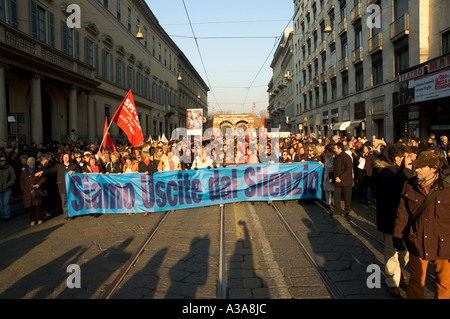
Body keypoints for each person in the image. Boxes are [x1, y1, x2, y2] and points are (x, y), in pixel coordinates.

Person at [393, 151, 450, 299]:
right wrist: (397, 235)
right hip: (418, 241)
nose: (416, 170)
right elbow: (403, 213)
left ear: (433, 168)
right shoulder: (410, 185)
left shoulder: (447, 188)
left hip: (442, 243)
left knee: (444, 283)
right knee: (416, 282)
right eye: (415, 167)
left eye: (420, 167)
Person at [374, 143, 412, 298]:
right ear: (397, 158)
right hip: (390, 219)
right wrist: (407, 170)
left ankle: (399, 270)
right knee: (391, 252)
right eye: (406, 157)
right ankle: (392, 281)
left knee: (405, 252)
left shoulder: (401, 171)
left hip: (404, 219)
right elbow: (397, 187)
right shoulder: (384, 172)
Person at [38, 152, 81, 220]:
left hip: (72, 187)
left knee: (71, 201)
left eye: (67, 157)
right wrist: (42, 172)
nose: (65, 159)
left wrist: (74, 172)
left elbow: (79, 173)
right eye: (64, 157)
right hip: (62, 186)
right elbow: (51, 170)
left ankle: (72, 213)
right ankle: (67, 215)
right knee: (64, 202)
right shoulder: (59, 166)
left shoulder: (73, 166)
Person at [20, 157, 46, 226]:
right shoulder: (24, 172)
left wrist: (38, 184)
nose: (31, 163)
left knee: (38, 205)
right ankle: (33, 220)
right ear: (27, 163)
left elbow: (43, 179)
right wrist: (23, 189)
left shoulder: (38, 169)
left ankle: (39, 218)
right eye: (30, 162)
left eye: (33, 161)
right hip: (27, 191)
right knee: (30, 207)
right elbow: (21, 182)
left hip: (37, 190)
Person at [330, 142, 353, 216]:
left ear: (340, 149)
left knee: (347, 197)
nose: (334, 150)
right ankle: (337, 210)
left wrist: (341, 178)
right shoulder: (336, 157)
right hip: (337, 180)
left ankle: (346, 210)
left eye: (335, 148)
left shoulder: (346, 157)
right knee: (336, 196)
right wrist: (332, 177)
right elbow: (334, 168)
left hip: (345, 180)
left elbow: (349, 169)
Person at [0, 155, 16, 223]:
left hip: (7, 188)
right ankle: (2, 215)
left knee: (5, 202)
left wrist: (7, 185)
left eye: (4, 160)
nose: (4, 162)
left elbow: (13, 177)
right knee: (0, 203)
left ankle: (7, 216)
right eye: (1, 160)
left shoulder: (9, 167)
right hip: (0, 188)